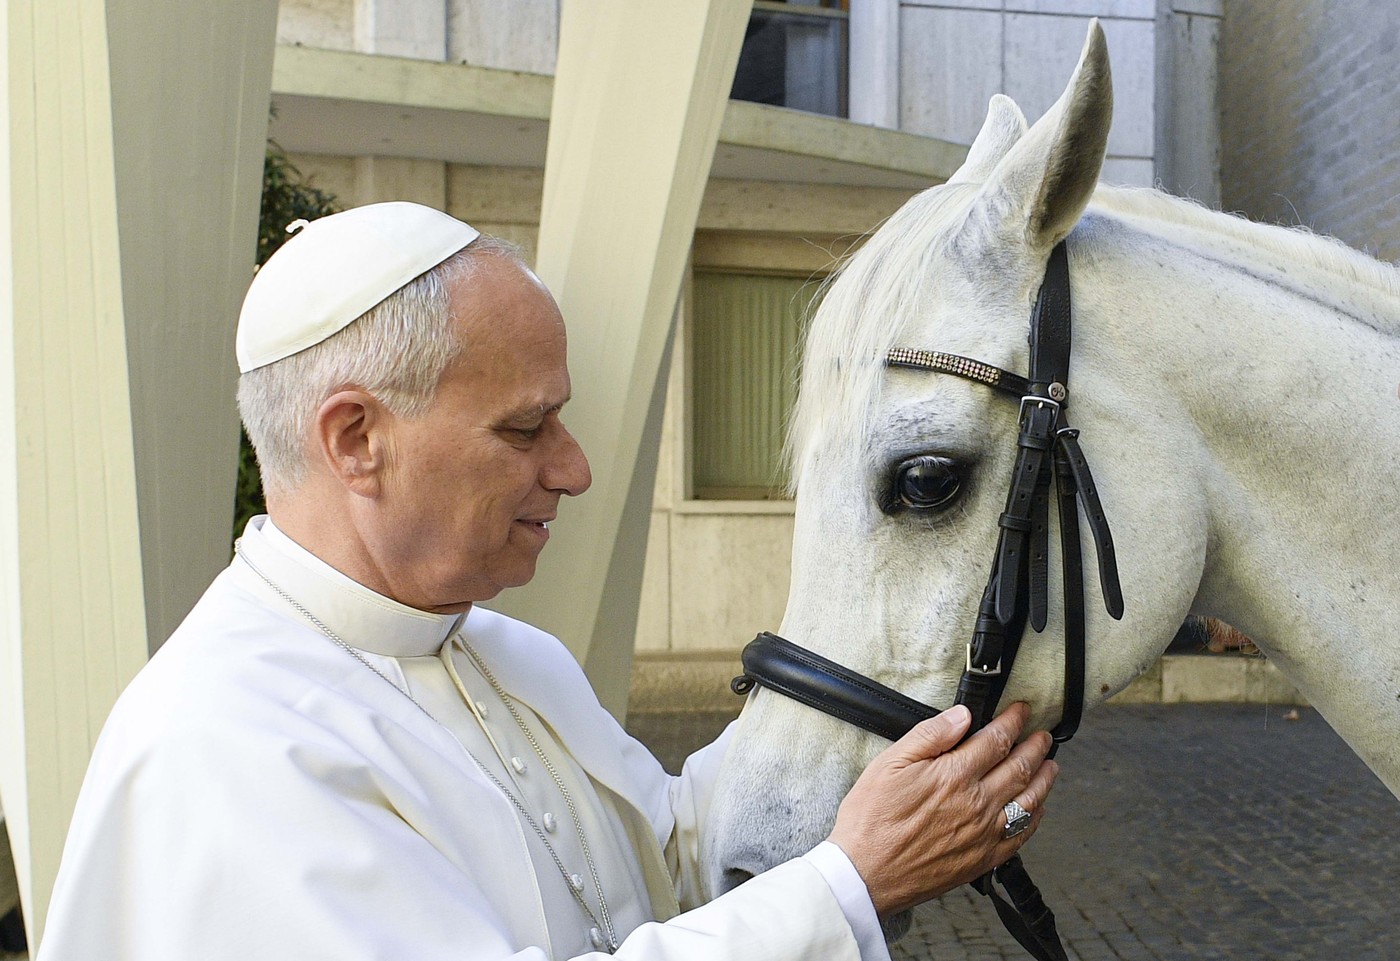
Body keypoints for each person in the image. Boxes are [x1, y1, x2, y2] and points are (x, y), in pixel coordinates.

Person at [38, 202, 1059, 961]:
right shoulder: (216, 748)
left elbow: (664, 863)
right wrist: (849, 882)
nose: (571, 468)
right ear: (356, 438)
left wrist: (850, 737)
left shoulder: (508, 653)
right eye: (525, 426)